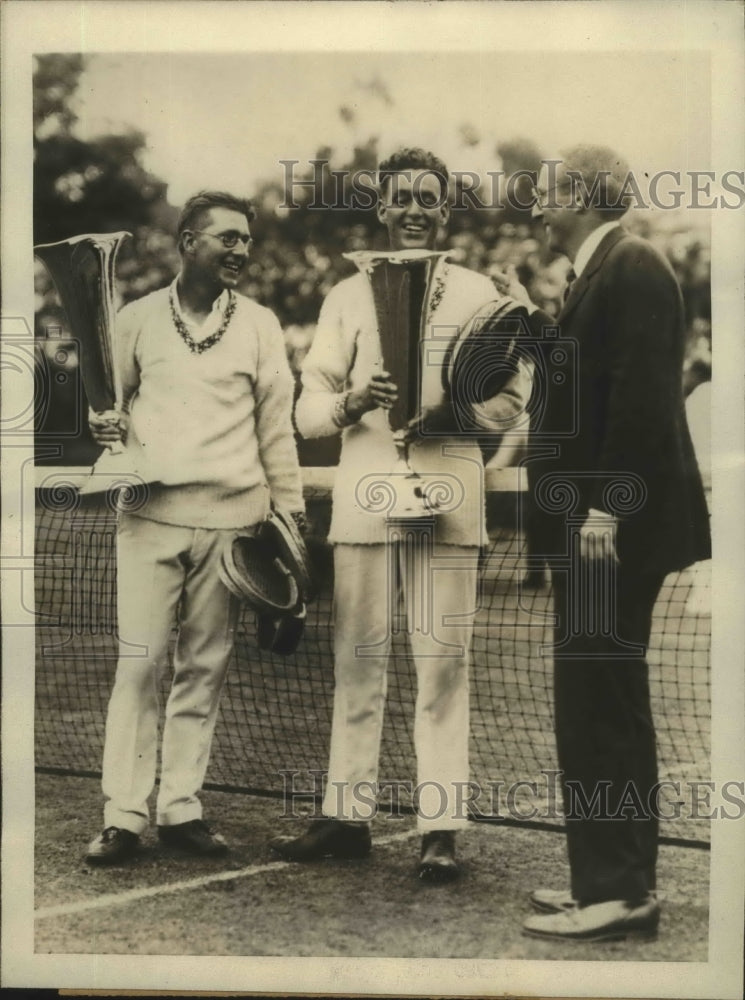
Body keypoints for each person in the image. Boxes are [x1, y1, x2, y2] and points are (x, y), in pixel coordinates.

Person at [269, 148, 532, 881]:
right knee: (356, 658)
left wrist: (458, 412)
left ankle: (438, 826)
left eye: (427, 196)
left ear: (444, 209)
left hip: (448, 496)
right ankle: (344, 817)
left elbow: (515, 397)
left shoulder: (482, 294)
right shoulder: (345, 297)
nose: (414, 207)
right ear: (382, 208)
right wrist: (353, 403)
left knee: (442, 664)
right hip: (363, 500)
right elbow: (308, 404)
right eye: (401, 197)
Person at [505, 146, 710, 940]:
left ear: (582, 197)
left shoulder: (632, 266)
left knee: (597, 707)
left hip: (607, 535)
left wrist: (603, 512)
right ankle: (612, 877)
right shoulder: (603, 271)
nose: (536, 210)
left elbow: (640, 402)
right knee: (602, 703)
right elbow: (584, 386)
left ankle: (618, 892)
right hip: (596, 528)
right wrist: (528, 322)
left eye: (548, 196)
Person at [85, 191, 305, 864]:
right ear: (187, 242)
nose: (240, 250)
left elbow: (276, 431)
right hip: (148, 515)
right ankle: (123, 816)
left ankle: (181, 809)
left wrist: (290, 520)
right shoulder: (135, 319)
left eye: (246, 239)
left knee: (203, 670)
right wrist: (101, 424)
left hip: (231, 524)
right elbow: (105, 408)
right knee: (139, 664)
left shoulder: (262, 324)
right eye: (226, 238)